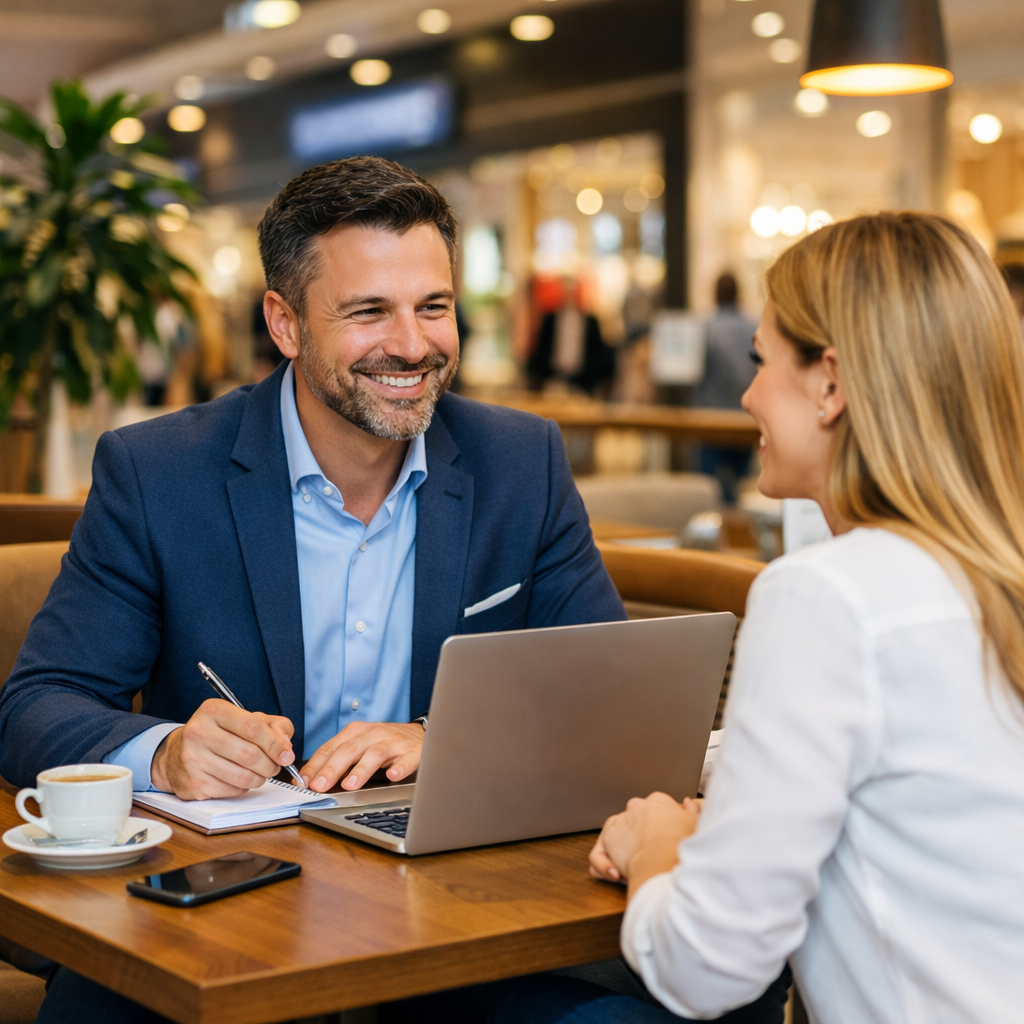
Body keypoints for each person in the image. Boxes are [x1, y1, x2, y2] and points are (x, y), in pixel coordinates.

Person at [0, 156, 626, 1023]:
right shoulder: (158, 473)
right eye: (369, 311)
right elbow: (37, 704)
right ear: (285, 323)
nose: (412, 345)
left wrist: (442, 737)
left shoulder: (522, 463)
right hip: (226, 918)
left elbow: (606, 696)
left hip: (457, 918)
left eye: (433, 307)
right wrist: (169, 751)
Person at [572, 212, 1024, 1023]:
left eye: (760, 360)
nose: (745, 395)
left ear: (831, 384)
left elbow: (704, 966)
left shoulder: (829, 596)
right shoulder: (985, 575)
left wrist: (658, 847)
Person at [695, 272, 758, 503]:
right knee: (742, 484)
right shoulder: (754, 327)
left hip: (710, 419)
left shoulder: (705, 328)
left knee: (711, 488)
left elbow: (695, 374)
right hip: (745, 418)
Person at [528, 278, 616, 396]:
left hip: (583, 383)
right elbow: (542, 349)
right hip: (553, 380)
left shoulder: (590, 322)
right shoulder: (550, 319)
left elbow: (598, 353)